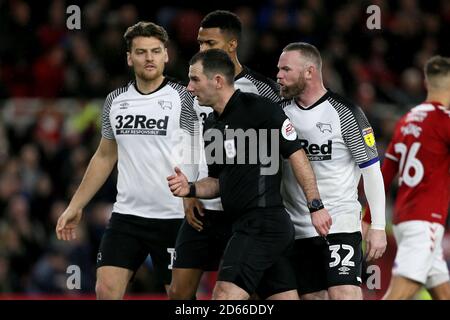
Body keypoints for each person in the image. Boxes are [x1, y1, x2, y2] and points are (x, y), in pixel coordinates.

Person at [167, 48, 332, 300]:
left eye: (195, 79)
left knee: (224, 296)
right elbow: (217, 182)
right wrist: (189, 188)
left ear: (218, 81)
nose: (189, 87)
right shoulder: (212, 123)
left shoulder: (260, 109)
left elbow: (296, 154)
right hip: (244, 225)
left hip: (263, 224)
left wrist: (315, 204)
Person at [55, 21, 199, 299]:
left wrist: (193, 192)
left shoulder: (184, 97)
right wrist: (76, 205)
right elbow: (105, 156)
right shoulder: (115, 100)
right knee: (105, 289)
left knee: (181, 297)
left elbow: (197, 150)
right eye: (142, 52)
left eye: (156, 51)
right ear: (129, 58)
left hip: (173, 217)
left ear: (166, 55)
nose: (149, 58)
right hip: (126, 216)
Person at [169, 10, 282, 300]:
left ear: (232, 45)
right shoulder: (192, 91)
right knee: (178, 293)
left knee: (243, 293)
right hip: (204, 207)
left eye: (210, 44)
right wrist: (190, 191)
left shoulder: (264, 91)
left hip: (248, 211)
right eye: (200, 43)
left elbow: (283, 149)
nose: (202, 50)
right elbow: (190, 140)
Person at [276, 42, 387, 300]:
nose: (279, 75)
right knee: (312, 298)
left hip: (340, 222)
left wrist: (379, 226)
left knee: (344, 294)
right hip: (297, 227)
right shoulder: (278, 113)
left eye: (286, 69)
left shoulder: (345, 113)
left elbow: (371, 172)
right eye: (278, 69)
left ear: (309, 72)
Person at [363, 55, 450, 300]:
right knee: (396, 296)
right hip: (426, 221)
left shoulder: (406, 121)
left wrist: (370, 218)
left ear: (426, 82)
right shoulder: (444, 121)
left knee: (443, 294)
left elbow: (385, 172)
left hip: (404, 219)